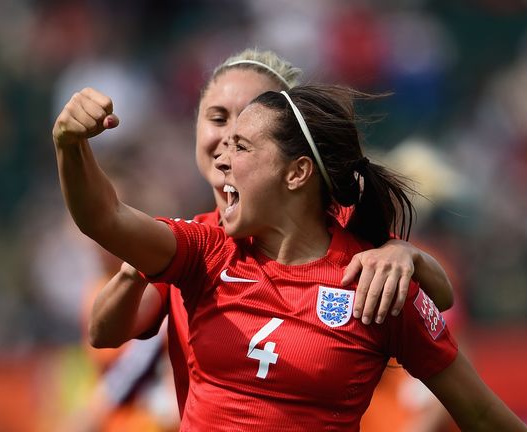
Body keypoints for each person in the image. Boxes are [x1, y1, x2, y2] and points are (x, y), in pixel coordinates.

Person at [52, 81, 527, 430]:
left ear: (297, 173)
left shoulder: (375, 280)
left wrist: (413, 259)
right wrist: (70, 145)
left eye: (241, 146)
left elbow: (481, 415)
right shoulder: (206, 249)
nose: (221, 159)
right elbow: (105, 218)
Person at [86, 49, 455, 419]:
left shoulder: (339, 234)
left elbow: (439, 301)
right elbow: (105, 334)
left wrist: (408, 255)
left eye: (249, 121)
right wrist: (137, 259)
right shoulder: (191, 242)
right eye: (217, 118)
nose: (229, 136)